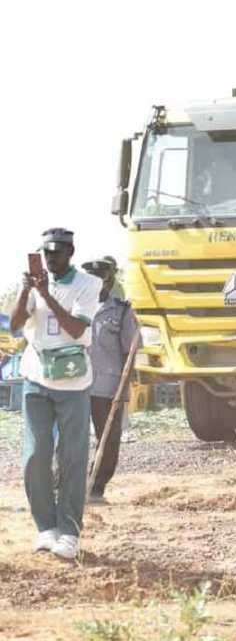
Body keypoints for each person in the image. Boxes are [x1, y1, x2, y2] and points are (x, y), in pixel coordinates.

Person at [8, 228, 100, 560]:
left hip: (73, 384)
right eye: (46, 254)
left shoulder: (89, 284)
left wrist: (46, 296)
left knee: (72, 458)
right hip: (36, 379)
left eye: (57, 253)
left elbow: (77, 329)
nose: (50, 259)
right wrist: (25, 292)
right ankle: (46, 527)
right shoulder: (34, 284)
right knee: (35, 456)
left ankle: (69, 531)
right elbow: (15, 325)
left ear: (70, 252)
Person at [82, 257, 140, 505]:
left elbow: (130, 350)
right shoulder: (73, 306)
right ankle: (61, 485)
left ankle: (96, 488)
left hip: (109, 386)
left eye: (103, 280)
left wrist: (125, 385)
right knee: (69, 437)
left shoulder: (122, 310)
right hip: (75, 383)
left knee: (109, 438)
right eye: (93, 280)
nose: (99, 285)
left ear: (110, 280)